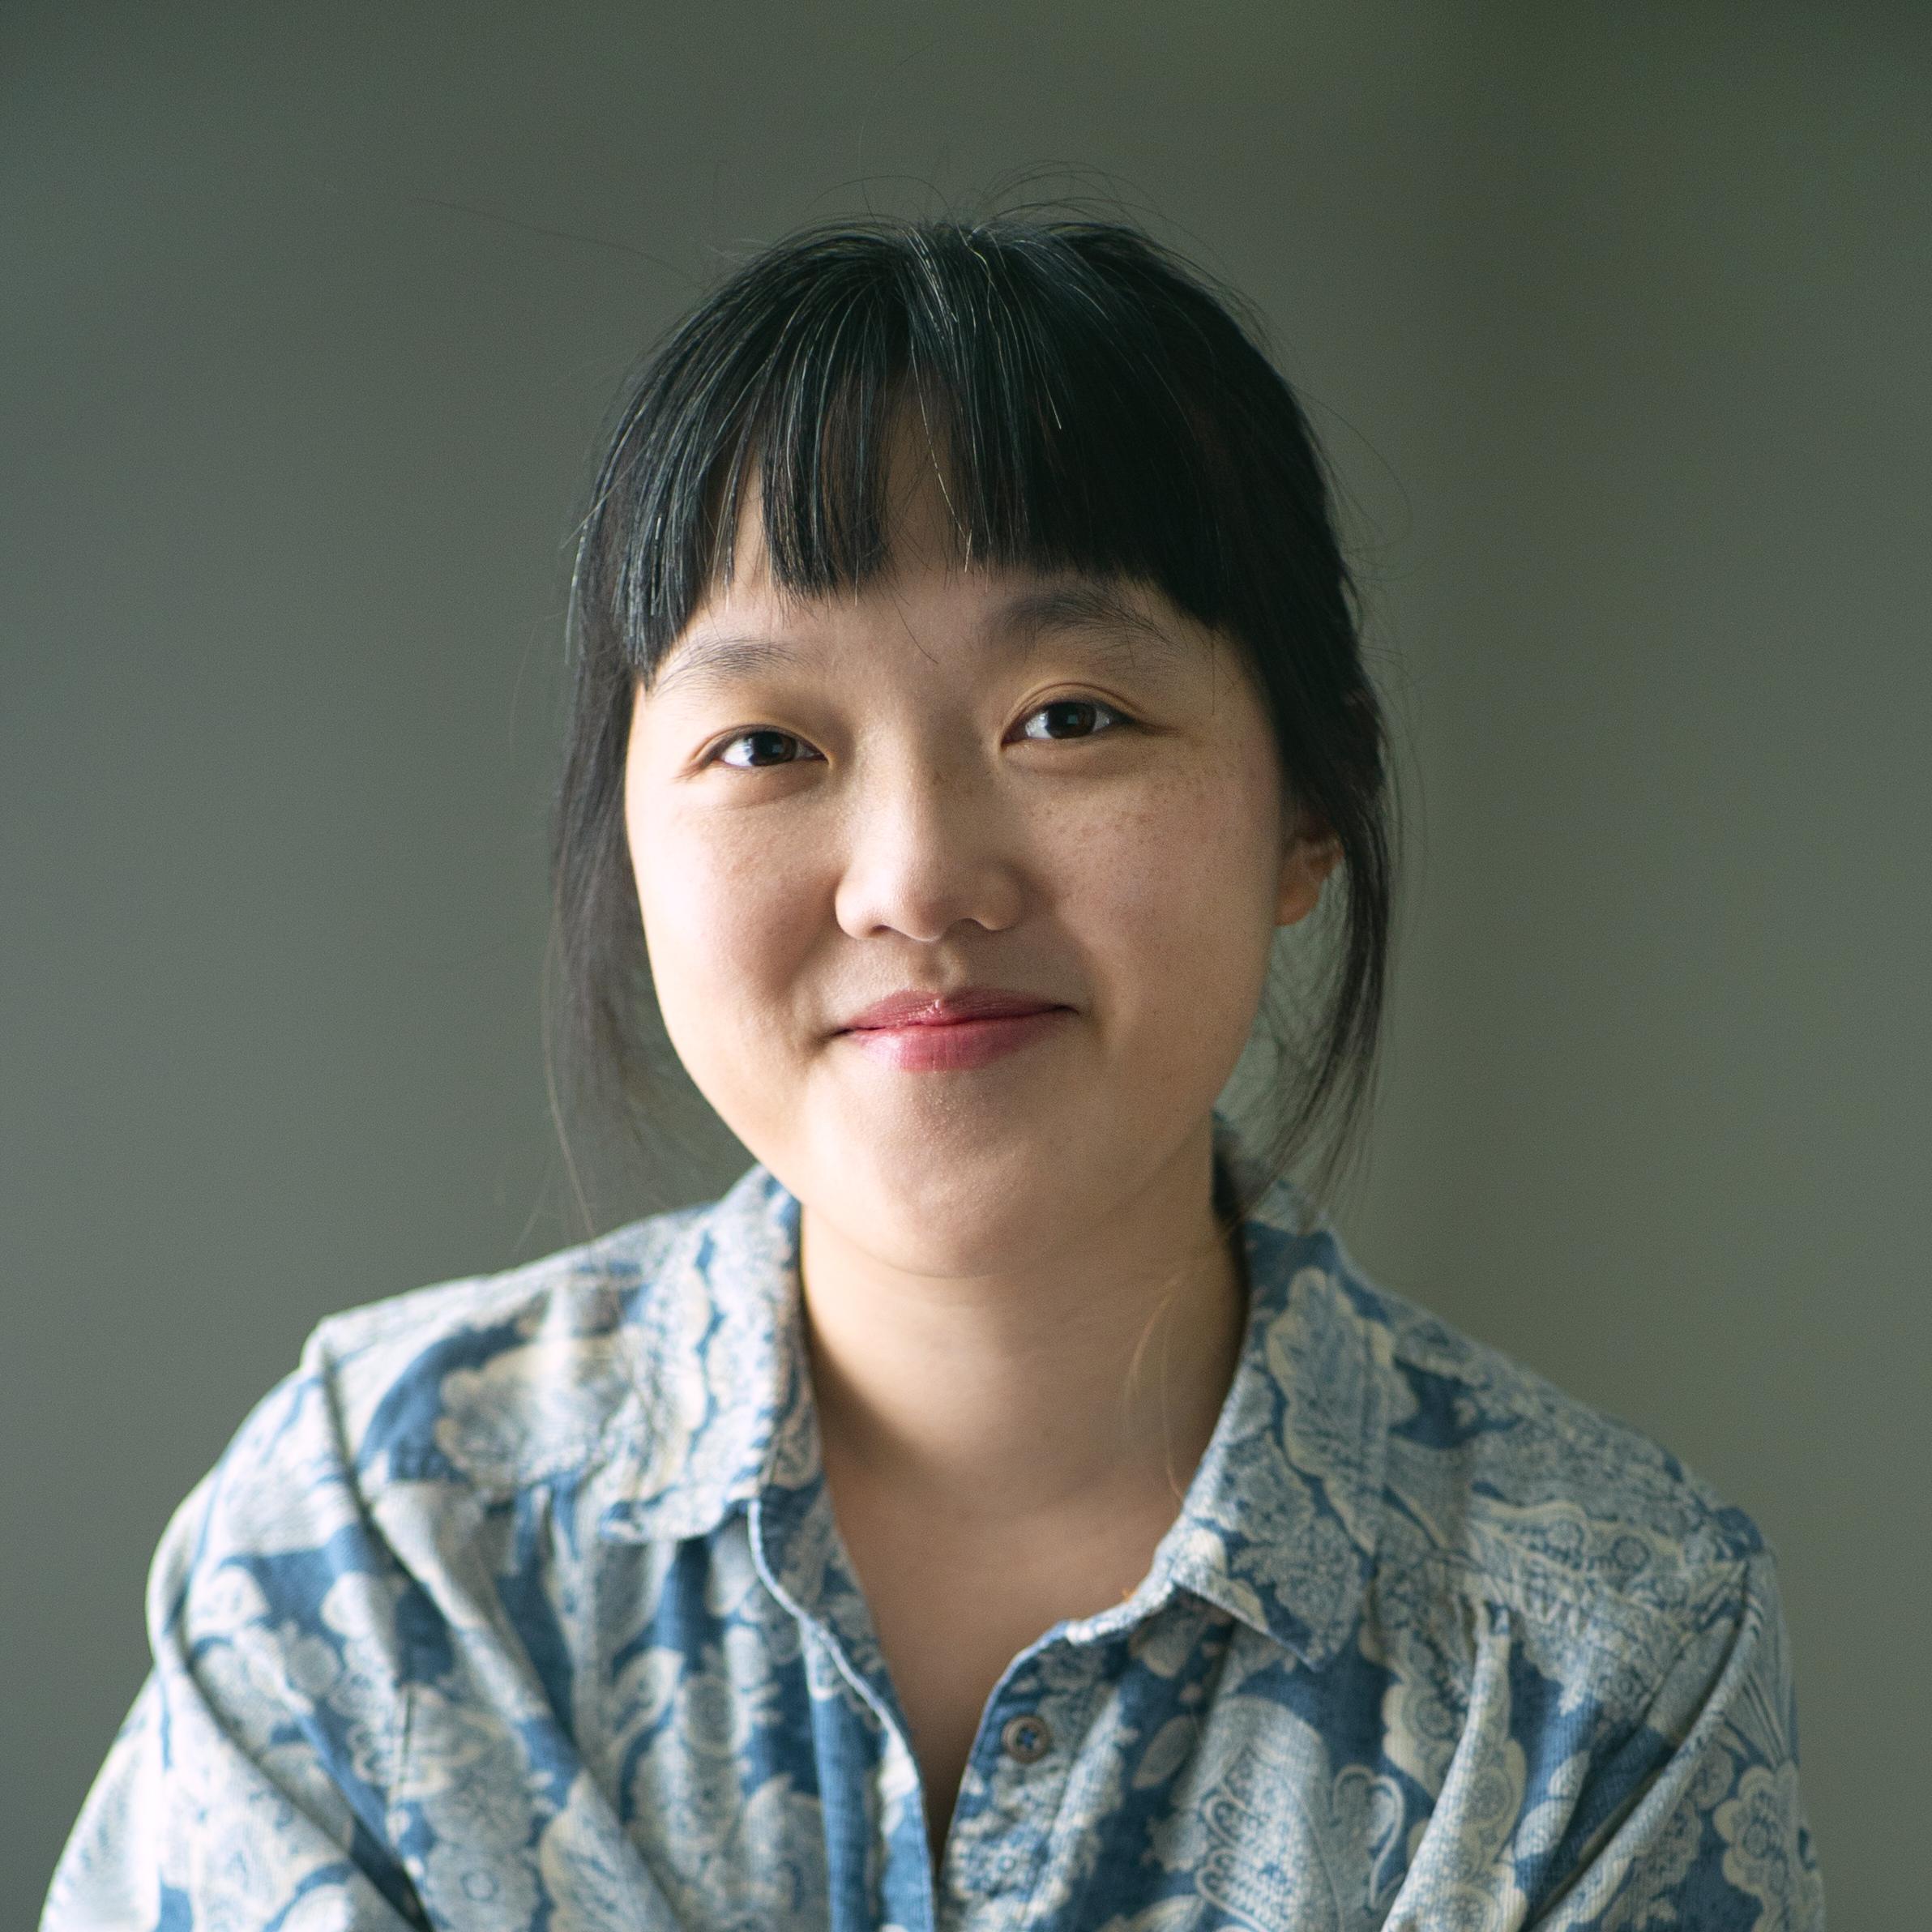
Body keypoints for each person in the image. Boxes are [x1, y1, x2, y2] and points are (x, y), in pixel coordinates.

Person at [44, 212, 1822, 1931]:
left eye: (1068, 715)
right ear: (630, 850)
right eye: (767, 743)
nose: (909, 877)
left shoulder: (1598, 1653)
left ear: (1307, 809)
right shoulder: (379, 1548)